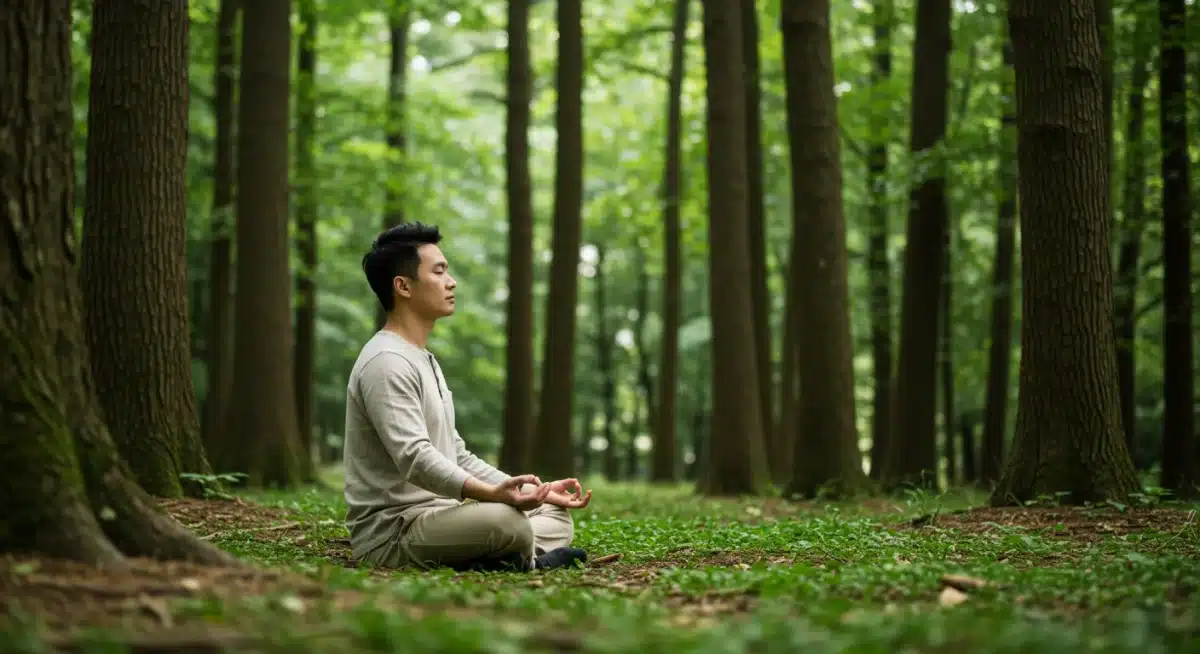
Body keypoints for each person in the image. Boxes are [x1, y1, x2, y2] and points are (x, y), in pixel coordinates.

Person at [342, 222, 591, 572]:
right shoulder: (386, 361)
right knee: (510, 522)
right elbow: (414, 457)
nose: (451, 281)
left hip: (443, 516)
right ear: (403, 286)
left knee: (553, 513)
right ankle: (523, 558)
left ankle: (508, 557)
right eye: (439, 271)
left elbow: (455, 453)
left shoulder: (423, 358)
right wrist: (493, 497)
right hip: (398, 532)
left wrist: (521, 491)